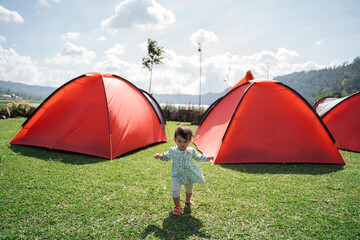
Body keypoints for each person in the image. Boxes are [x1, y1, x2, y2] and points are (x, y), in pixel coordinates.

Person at [154, 124, 214, 216]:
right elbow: (166, 156)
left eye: (185, 141)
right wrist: (160, 156)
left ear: (189, 141)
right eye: (179, 141)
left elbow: (198, 157)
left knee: (189, 189)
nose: (182, 144)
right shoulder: (173, 150)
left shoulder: (191, 150)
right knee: (175, 191)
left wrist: (207, 158)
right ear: (175, 140)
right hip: (176, 175)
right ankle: (177, 206)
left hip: (188, 175)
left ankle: (188, 200)